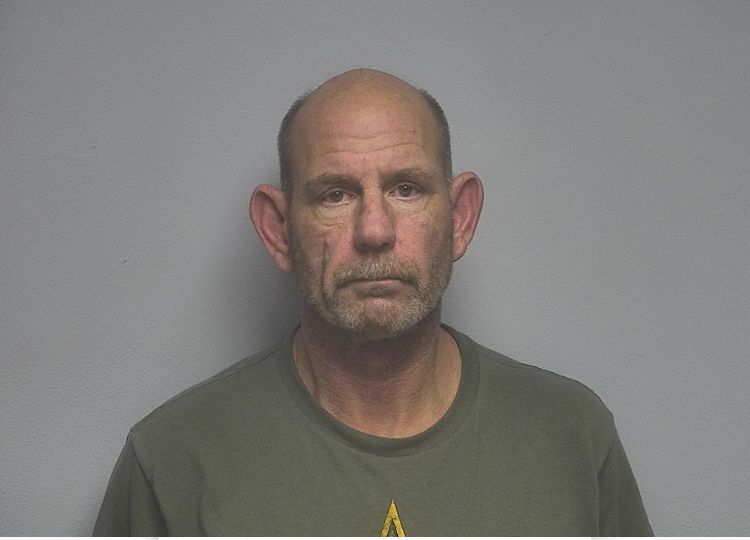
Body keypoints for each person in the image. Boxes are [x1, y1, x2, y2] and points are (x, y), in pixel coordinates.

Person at [93, 68, 653, 536]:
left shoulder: (573, 439)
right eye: (335, 195)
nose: (375, 231)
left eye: (406, 189)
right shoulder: (172, 462)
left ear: (459, 219)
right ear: (279, 229)